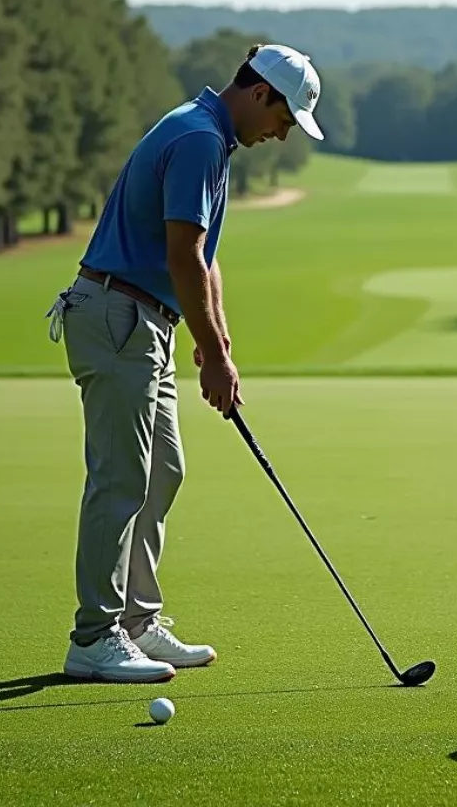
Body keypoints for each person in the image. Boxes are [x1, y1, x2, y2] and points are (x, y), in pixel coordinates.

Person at [45, 43, 323, 683]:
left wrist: (214, 342)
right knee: (121, 480)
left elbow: (205, 256)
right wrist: (214, 361)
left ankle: (138, 623)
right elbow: (183, 257)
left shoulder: (209, 137)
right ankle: (95, 636)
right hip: (118, 317)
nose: (282, 134)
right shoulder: (199, 139)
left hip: (146, 319)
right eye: (284, 118)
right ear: (259, 94)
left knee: (162, 470)